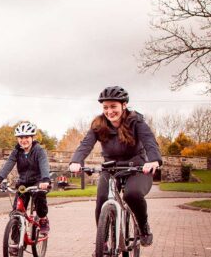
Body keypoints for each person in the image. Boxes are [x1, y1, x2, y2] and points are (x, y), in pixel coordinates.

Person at [68, 86, 162, 247]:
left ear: (124, 105)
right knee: (102, 199)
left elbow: (150, 142)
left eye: (113, 106)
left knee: (131, 195)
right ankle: (102, 243)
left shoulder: (136, 122)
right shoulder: (98, 124)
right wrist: (76, 161)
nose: (109, 111)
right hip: (111, 169)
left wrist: (153, 160)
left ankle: (143, 227)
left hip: (137, 169)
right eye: (105, 107)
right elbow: (85, 145)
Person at [0, 122, 51, 234]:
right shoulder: (16, 152)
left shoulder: (39, 151)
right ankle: (14, 244)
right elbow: (9, 164)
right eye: (20, 137)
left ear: (32, 138)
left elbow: (44, 165)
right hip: (23, 183)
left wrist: (45, 180)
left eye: (27, 137)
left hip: (38, 182)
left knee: (40, 196)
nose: (23, 140)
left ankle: (43, 218)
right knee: (16, 213)